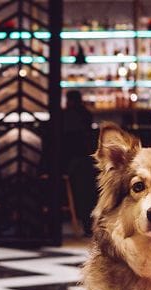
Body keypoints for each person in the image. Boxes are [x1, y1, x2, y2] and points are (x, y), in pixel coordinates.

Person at [61, 90, 96, 235]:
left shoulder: (65, 115)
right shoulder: (86, 114)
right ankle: (88, 226)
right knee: (87, 193)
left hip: (69, 161)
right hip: (86, 159)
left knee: (79, 192)